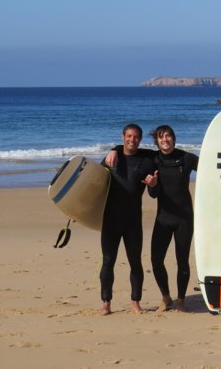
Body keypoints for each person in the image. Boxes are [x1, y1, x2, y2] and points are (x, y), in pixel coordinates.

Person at [106, 123, 221, 312]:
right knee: (156, 260)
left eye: (168, 136)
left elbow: (214, 169)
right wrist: (115, 150)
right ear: (157, 141)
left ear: (173, 138)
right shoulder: (153, 159)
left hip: (184, 218)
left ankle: (181, 300)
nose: (165, 140)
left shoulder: (186, 158)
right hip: (163, 218)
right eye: (161, 137)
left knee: (182, 260)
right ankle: (166, 297)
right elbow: (131, 151)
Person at [99, 123, 157, 315]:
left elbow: (153, 193)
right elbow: (93, 187)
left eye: (136, 137)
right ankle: (106, 303)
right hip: (110, 220)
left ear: (140, 139)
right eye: (129, 136)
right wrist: (79, 211)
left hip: (133, 220)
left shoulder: (147, 160)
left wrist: (153, 184)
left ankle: (135, 302)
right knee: (108, 261)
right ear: (123, 136)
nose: (132, 140)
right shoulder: (110, 160)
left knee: (135, 262)